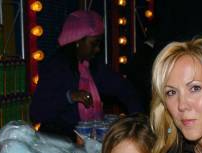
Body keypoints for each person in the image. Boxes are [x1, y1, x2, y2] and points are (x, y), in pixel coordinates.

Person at [30, 10, 142, 141]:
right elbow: (37, 112)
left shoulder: (94, 68)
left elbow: (124, 89)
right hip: (59, 145)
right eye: (94, 44)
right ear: (77, 41)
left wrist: (138, 118)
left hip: (86, 144)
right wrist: (69, 97)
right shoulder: (56, 68)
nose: (98, 49)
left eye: (99, 44)